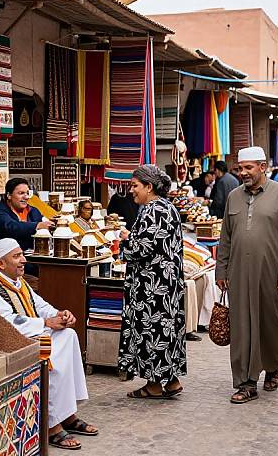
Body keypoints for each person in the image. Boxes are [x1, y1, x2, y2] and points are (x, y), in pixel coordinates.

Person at [0, 238, 97, 450]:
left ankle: (66, 414)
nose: (23, 260)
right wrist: (46, 323)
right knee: (52, 353)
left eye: (21, 254)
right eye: (17, 256)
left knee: (68, 336)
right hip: (4, 342)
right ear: (1, 263)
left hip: (28, 333)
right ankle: (51, 424)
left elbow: (39, 304)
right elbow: (4, 322)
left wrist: (59, 315)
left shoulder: (16, 280)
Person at [216, 146, 278, 404]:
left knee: (273, 325)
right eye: (240, 168)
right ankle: (246, 382)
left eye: (249, 168)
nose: (243, 173)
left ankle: (273, 367)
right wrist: (222, 269)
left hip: (272, 275)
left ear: (262, 167)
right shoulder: (233, 197)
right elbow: (226, 237)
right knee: (241, 327)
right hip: (239, 274)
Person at [118, 165, 187, 399]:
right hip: (166, 283)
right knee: (165, 331)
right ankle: (172, 381)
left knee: (153, 332)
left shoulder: (152, 210)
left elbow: (142, 248)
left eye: (134, 186)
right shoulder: (167, 208)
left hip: (153, 286)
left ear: (149, 187)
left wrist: (125, 242)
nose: (131, 191)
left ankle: (154, 385)